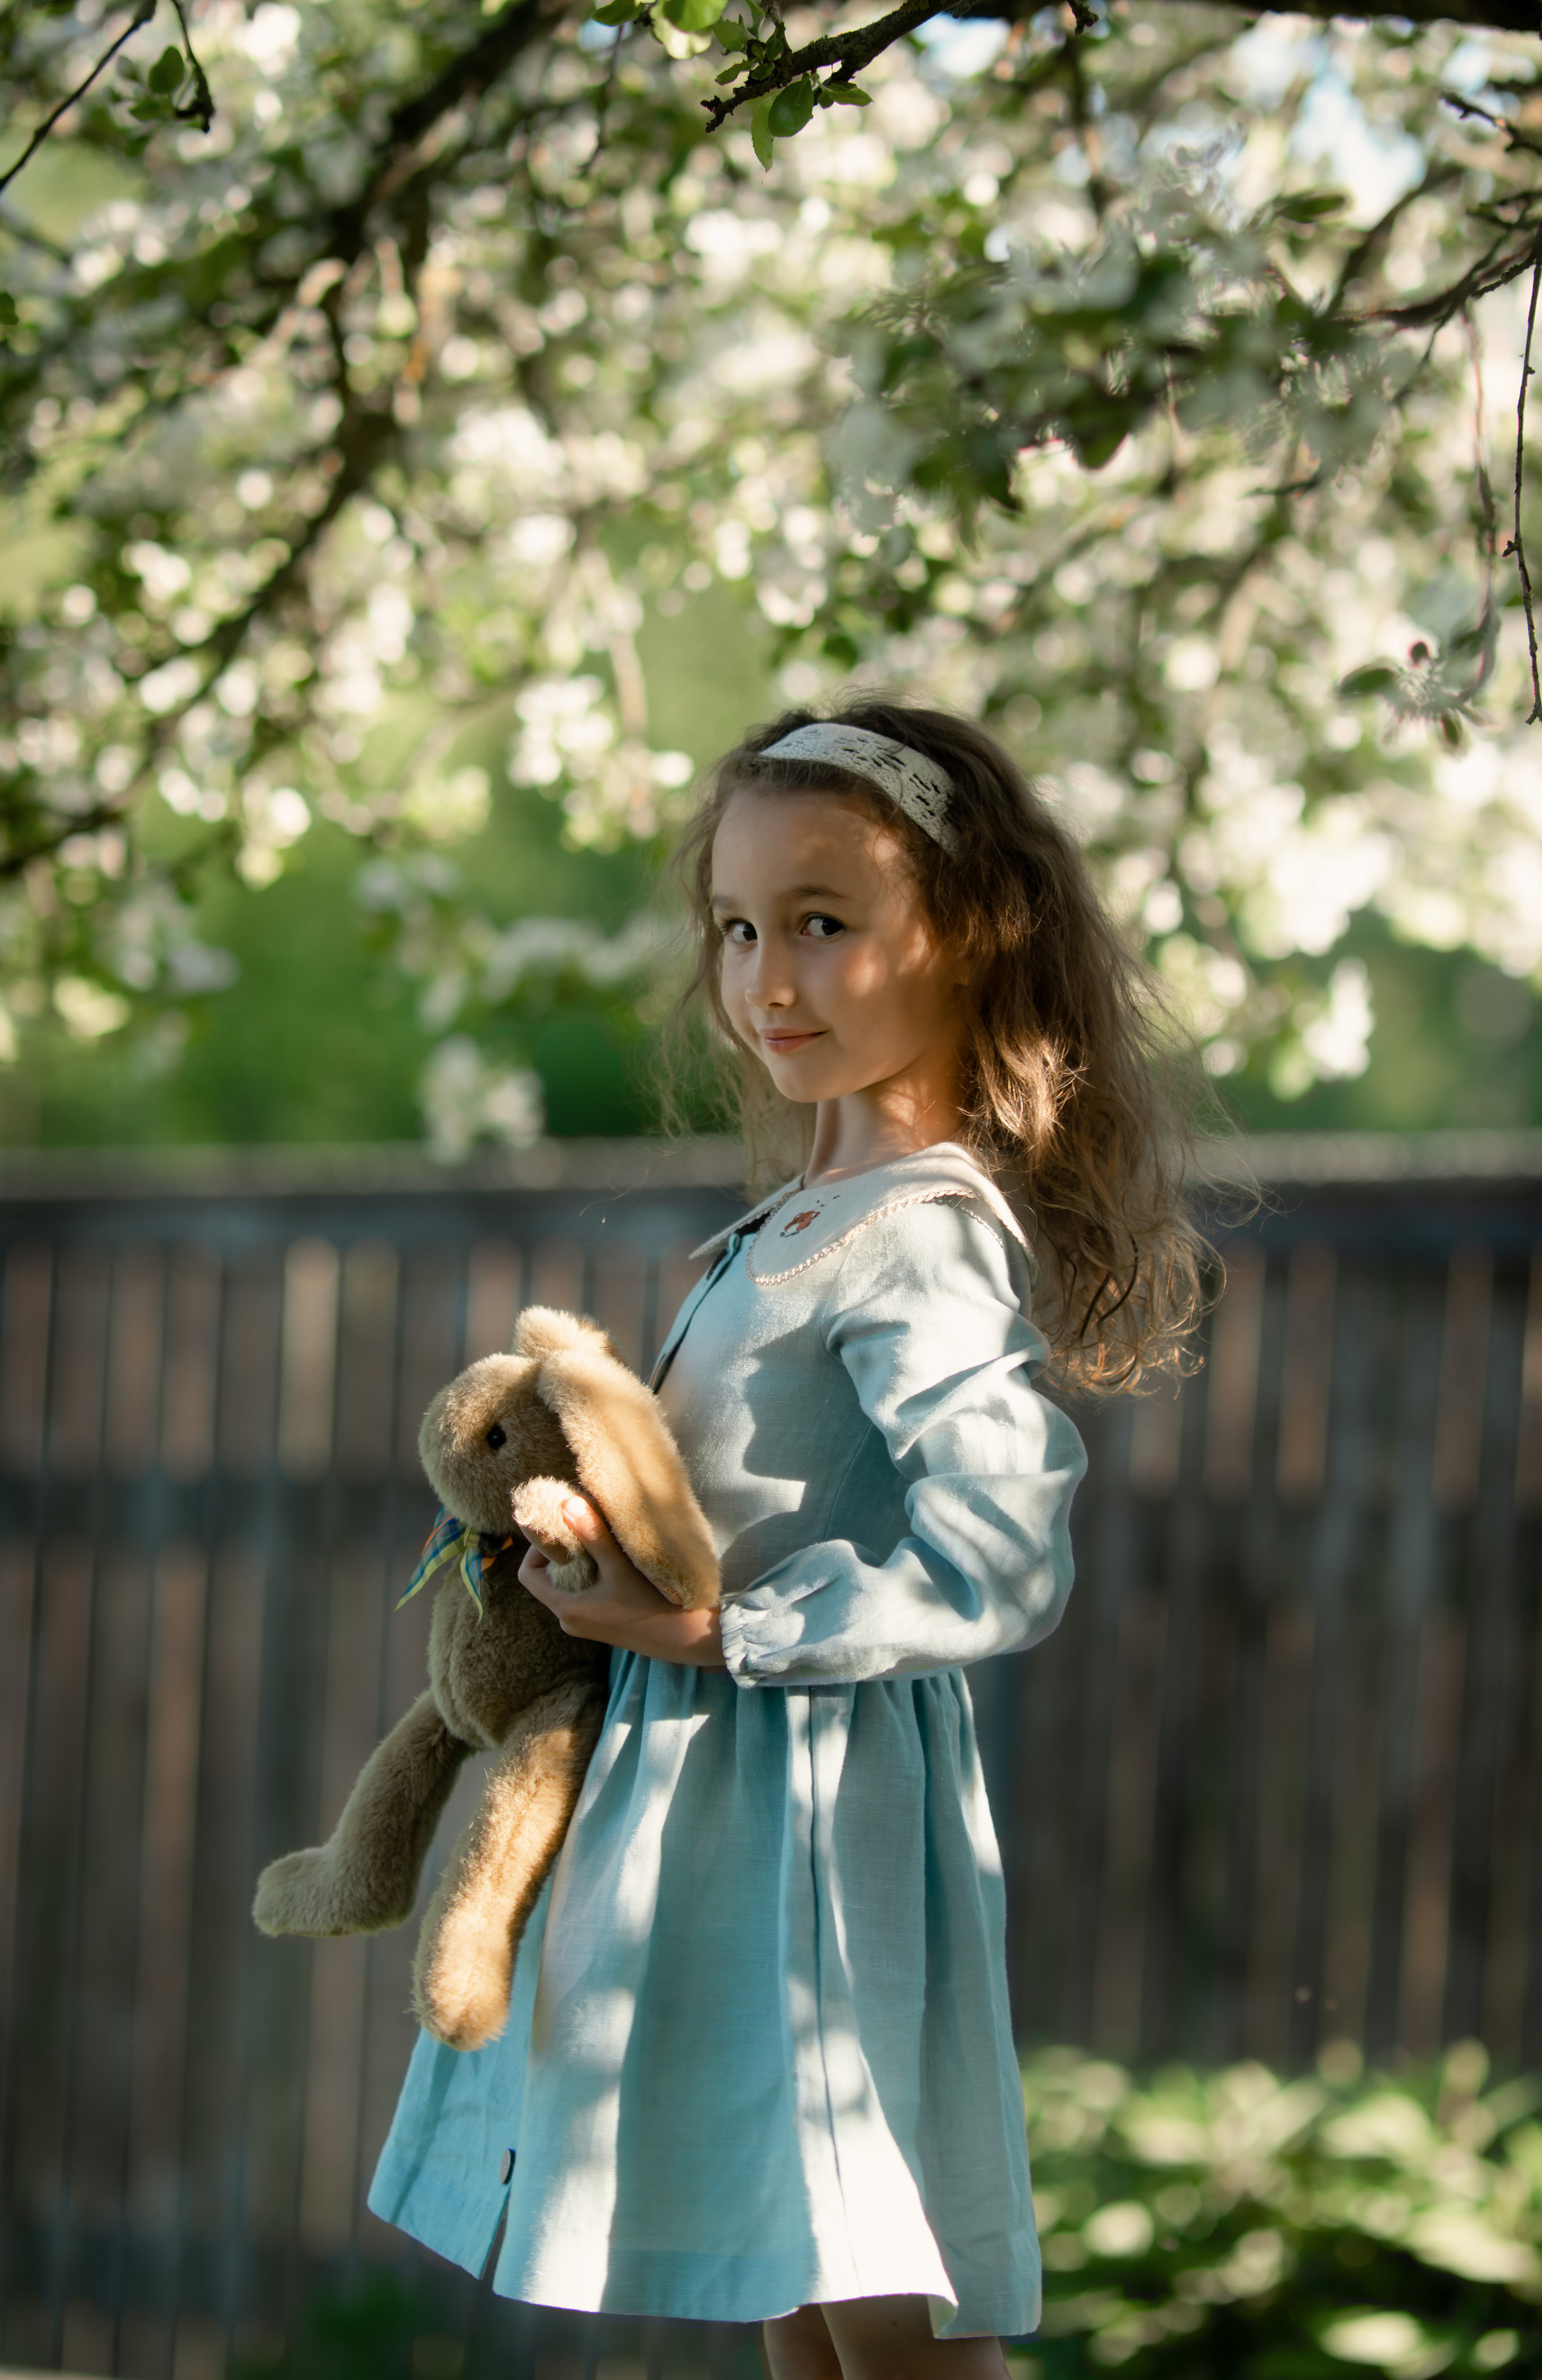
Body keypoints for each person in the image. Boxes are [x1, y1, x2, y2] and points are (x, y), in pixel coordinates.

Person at [369, 700, 1206, 2380]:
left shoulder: (922, 1235)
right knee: (795, 2281)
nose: (767, 976)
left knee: (874, 2293)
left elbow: (998, 1552)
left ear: (967, 934)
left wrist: (709, 1632)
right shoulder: (803, 1219)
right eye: (742, 926)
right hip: (727, 1810)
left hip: (813, 1818)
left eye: (823, 922)